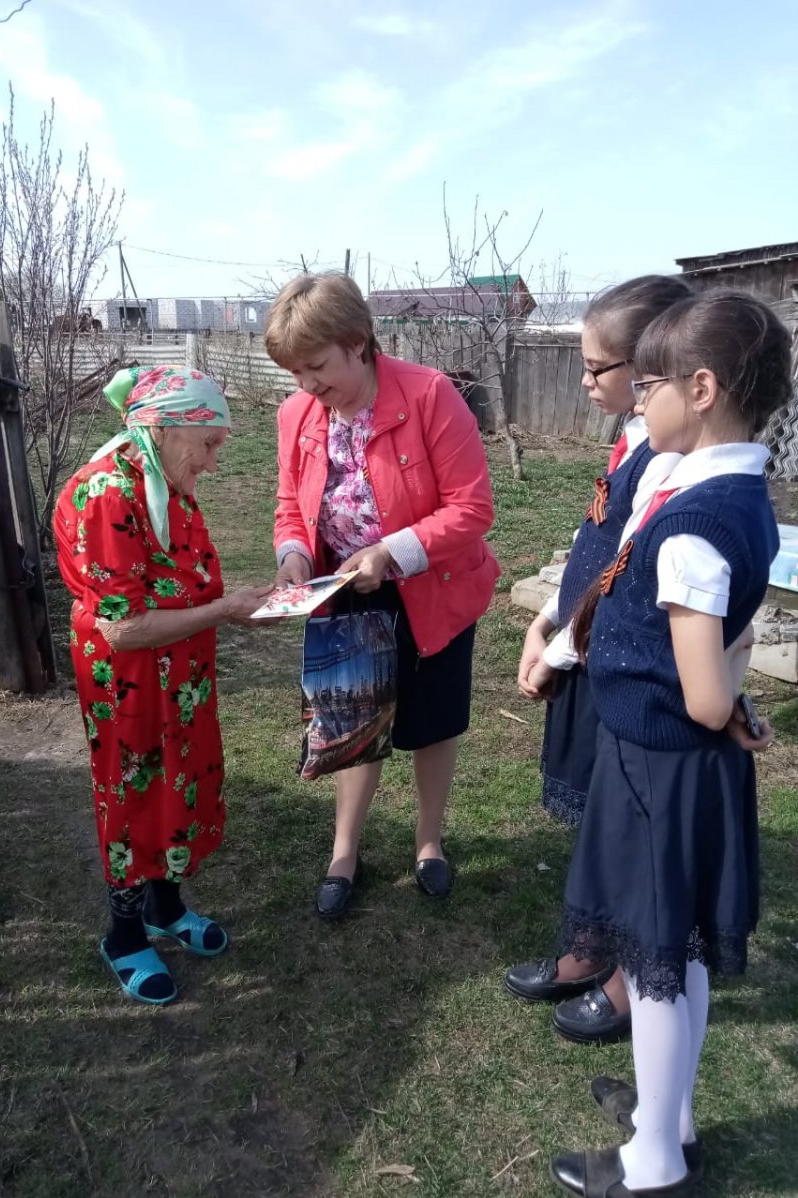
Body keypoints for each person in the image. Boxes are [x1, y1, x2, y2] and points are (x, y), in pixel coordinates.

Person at [548, 292, 790, 1198]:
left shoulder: (694, 528)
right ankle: (669, 1115)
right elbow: (725, 657)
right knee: (674, 952)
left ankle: (654, 1163)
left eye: (647, 385)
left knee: (654, 964)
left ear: (701, 387)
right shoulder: (728, 489)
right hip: (675, 764)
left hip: (662, 770)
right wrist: (734, 702)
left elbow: (698, 694)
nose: (637, 403)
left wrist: (727, 703)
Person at [265, 272, 500, 918]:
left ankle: (428, 841)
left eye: (316, 367)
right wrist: (295, 556)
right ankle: (345, 850)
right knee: (352, 719)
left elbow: (473, 509)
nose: (308, 387)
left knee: (433, 719)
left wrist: (394, 552)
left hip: (433, 590)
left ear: (358, 341)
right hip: (347, 590)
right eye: (296, 373)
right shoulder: (297, 415)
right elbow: (291, 504)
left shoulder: (429, 396)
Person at [507, 276, 691, 1044]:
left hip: (617, 663)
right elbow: (592, 551)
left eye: (599, 369)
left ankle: (621, 980)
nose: (585, 382)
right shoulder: (630, 440)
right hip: (588, 648)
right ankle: (587, 951)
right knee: (596, 822)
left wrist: (556, 643)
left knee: (626, 832)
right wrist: (549, 612)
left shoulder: (667, 460)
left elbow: (621, 576)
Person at [54, 366, 271, 1005]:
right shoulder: (106, 495)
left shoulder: (163, 480)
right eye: (208, 442)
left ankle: (166, 906)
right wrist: (224, 612)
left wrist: (234, 606)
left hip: (182, 674)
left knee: (183, 780)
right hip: (129, 682)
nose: (214, 459)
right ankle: (124, 934)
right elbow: (123, 631)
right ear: (164, 427)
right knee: (134, 792)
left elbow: (179, 578)